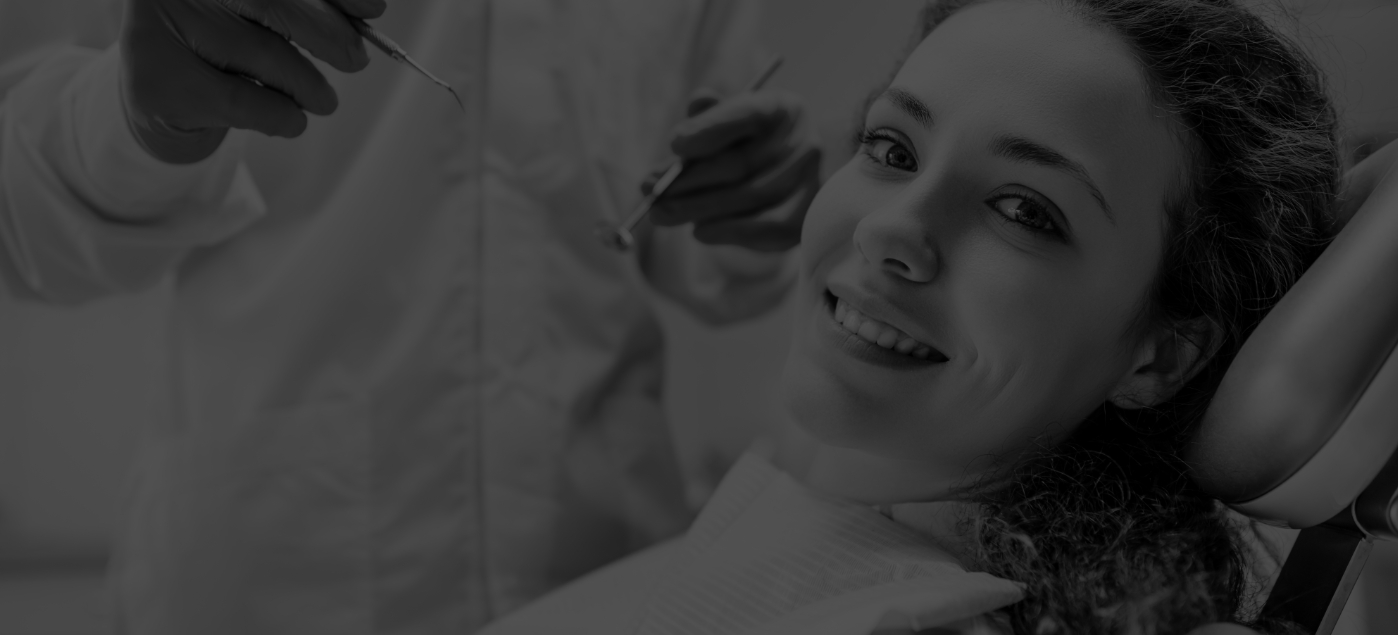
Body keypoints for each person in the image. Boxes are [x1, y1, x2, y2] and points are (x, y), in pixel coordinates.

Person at [478, 0, 1361, 633]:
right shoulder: (798, 532)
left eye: (1025, 211)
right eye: (893, 147)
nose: (892, 226)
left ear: (1161, 356)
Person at [0, 1, 821, 633]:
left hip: (604, 569)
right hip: (278, 577)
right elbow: (21, 221)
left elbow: (695, 246)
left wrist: (754, 208)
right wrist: (141, 115)